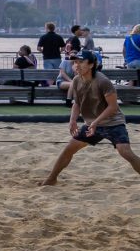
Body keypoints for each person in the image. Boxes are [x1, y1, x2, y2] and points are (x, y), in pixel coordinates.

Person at [39, 50, 140, 186]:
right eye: (75, 62)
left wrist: (96, 122)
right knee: (69, 149)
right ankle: (52, 179)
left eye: (81, 62)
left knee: (126, 153)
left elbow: (113, 107)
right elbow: (78, 103)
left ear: (91, 64)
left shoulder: (103, 81)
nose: (77, 65)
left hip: (113, 123)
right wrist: (72, 120)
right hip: (92, 124)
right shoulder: (76, 80)